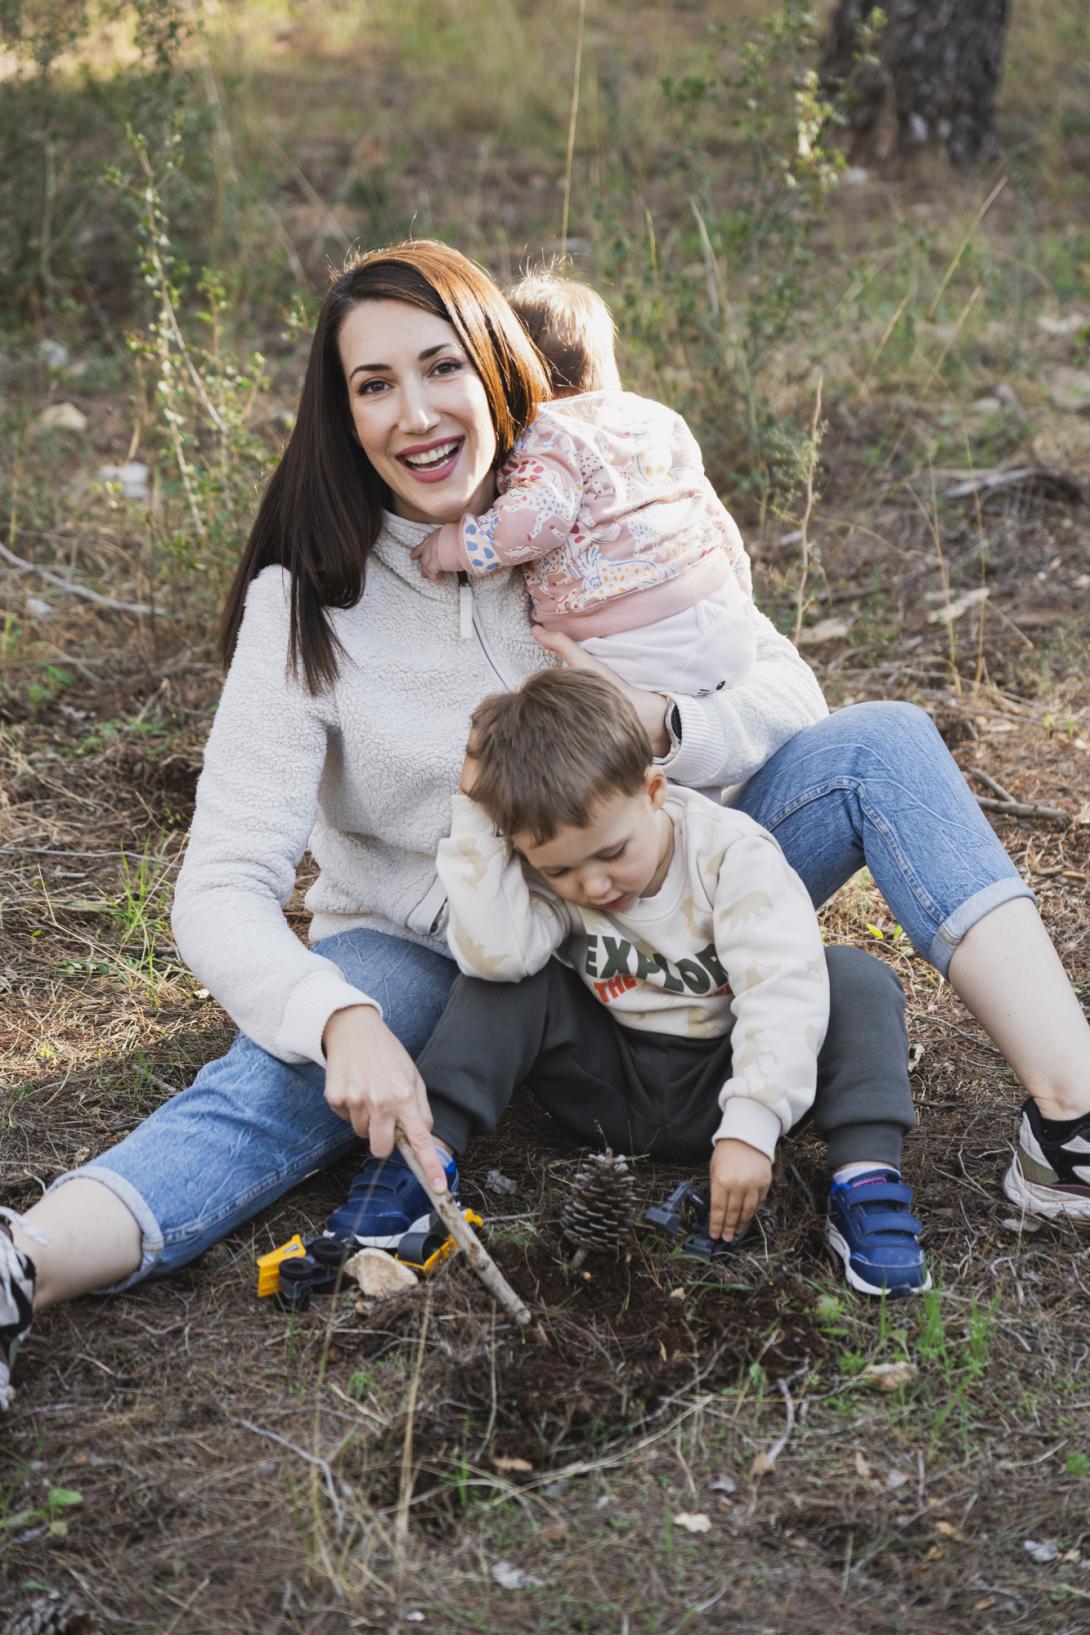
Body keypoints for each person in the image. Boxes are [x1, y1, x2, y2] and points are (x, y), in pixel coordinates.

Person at [3, 239, 1090, 1411]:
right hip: (444, 953)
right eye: (374, 385)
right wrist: (337, 1020)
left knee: (881, 740)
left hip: (657, 908)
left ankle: (1070, 1126)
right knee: (283, 1074)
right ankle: (23, 1268)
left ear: (498, 370)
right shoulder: (309, 604)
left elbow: (785, 694)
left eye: (440, 368)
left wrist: (662, 720)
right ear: (341, 411)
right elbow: (218, 886)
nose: (415, 414)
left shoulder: (579, 499)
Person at [403, 667, 927, 1295]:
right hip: (610, 1085)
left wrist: (751, 1126)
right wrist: (474, 817)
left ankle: (865, 1184)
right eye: (562, 869)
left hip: (723, 1078)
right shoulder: (555, 871)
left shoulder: (730, 855)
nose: (594, 886)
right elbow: (498, 957)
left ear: (653, 790)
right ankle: (420, 1165)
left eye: (613, 854)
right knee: (507, 983)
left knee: (853, 978)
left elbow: (780, 995)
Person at [410, 270, 757, 699]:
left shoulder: (548, 433)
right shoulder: (656, 418)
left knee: (591, 735)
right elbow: (709, 509)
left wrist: (454, 547)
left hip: (632, 643)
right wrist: (739, 591)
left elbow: (537, 521)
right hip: (723, 618)